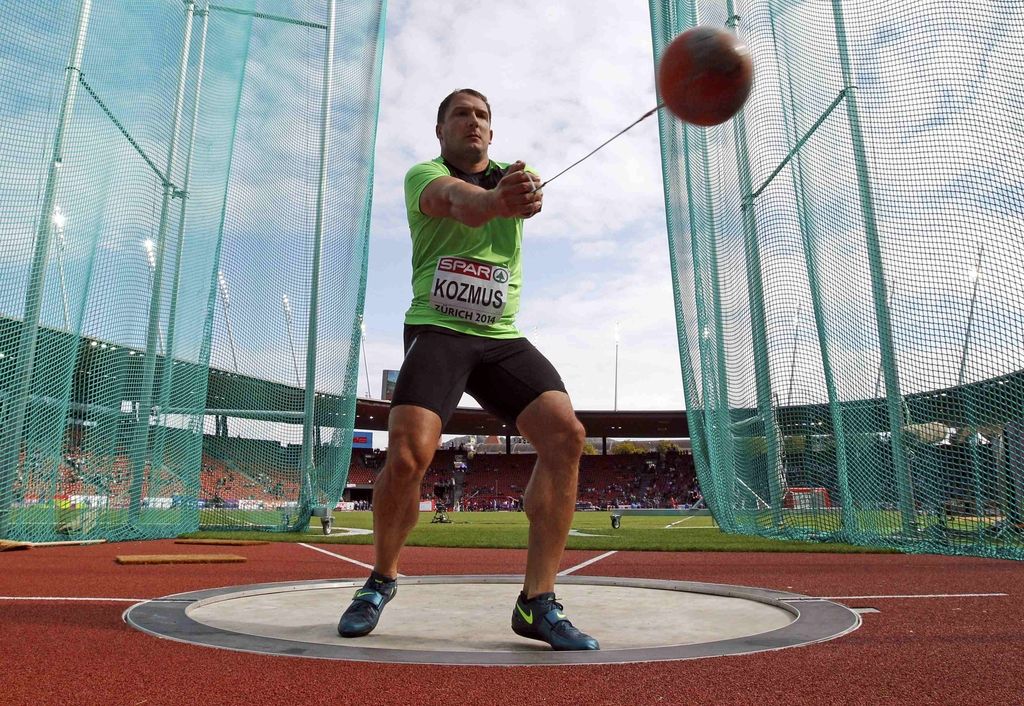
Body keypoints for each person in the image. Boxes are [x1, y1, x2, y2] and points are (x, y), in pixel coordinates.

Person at [337, 88, 598, 651]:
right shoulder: (424, 176)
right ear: (441, 129)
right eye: (461, 114)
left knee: (566, 436)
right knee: (408, 454)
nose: (472, 122)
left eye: (482, 115)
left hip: (499, 336)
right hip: (438, 330)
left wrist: (519, 192)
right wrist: (499, 200)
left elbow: (516, 194)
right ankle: (380, 579)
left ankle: (537, 602)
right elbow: (460, 203)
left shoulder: (514, 176)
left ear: (492, 132)